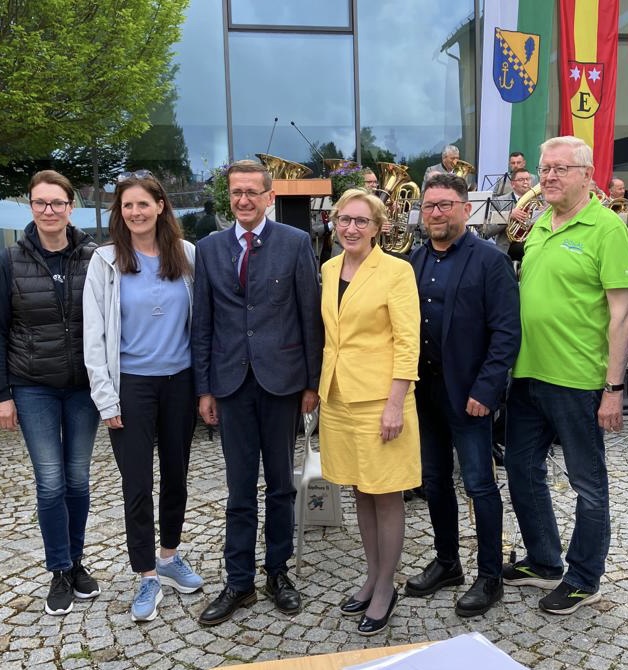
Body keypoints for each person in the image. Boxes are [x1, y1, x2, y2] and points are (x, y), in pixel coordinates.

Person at [192, 159, 323, 626]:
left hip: (282, 381)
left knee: (282, 486)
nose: (243, 200)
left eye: (252, 192)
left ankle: (278, 572)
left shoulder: (294, 243)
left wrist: (311, 382)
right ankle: (239, 580)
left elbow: (310, 315)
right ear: (228, 197)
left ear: (269, 195)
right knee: (239, 488)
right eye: (236, 193)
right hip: (230, 384)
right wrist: (204, 388)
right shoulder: (208, 249)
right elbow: (202, 322)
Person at [504, 136, 628, 615]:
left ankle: (584, 576)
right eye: (543, 168)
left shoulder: (607, 228)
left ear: (586, 173)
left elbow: (620, 314)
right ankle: (543, 560)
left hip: (577, 379)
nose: (548, 176)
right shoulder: (539, 225)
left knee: (588, 483)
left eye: (559, 168)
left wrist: (613, 388)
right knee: (520, 467)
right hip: (529, 372)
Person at [83, 170, 202, 623]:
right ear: (120, 212)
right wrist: (106, 398)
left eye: (142, 204)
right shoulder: (106, 261)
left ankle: (170, 557)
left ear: (160, 207)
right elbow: (94, 333)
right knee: (137, 485)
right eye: (126, 206)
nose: (135, 212)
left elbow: (201, 325)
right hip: (130, 385)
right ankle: (147, 574)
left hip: (180, 382)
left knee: (177, 476)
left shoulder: (187, 255)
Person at [404, 173, 521, 617]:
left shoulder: (490, 261)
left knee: (479, 486)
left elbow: (506, 333)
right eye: (429, 205)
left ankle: (489, 576)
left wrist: (487, 390)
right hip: (425, 392)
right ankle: (448, 562)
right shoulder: (413, 260)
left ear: (465, 209)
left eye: (445, 205)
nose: (435, 212)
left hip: (470, 394)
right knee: (434, 483)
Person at [318, 189, 420, 636]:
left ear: (378, 227)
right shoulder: (328, 269)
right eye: (345, 219)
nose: (352, 228)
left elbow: (407, 340)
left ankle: (386, 587)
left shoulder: (397, 271)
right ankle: (372, 575)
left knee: (387, 492)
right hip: (338, 397)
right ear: (334, 224)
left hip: (382, 401)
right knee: (360, 489)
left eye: (362, 221)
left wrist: (396, 402)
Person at [0, 170, 101, 616]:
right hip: (33, 385)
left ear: (70, 207)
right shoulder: (9, 260)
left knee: (78, 479)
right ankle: (59, 569)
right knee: (50, 481)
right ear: (30, 207)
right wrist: (3, 394)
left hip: (82, 387)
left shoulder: (94, 257)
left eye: (57, 203)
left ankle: (77, 561)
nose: (49, 211)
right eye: (41, 203)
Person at [483, 167, 541, 261]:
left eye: (528, 179)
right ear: (513, 184)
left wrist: (541, 213)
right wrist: (509, 216)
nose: (526, 182)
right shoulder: (499, 201)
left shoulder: (539, 201)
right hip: (508, 245)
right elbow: (487, 231)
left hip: (532, 242)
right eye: (521, 180)